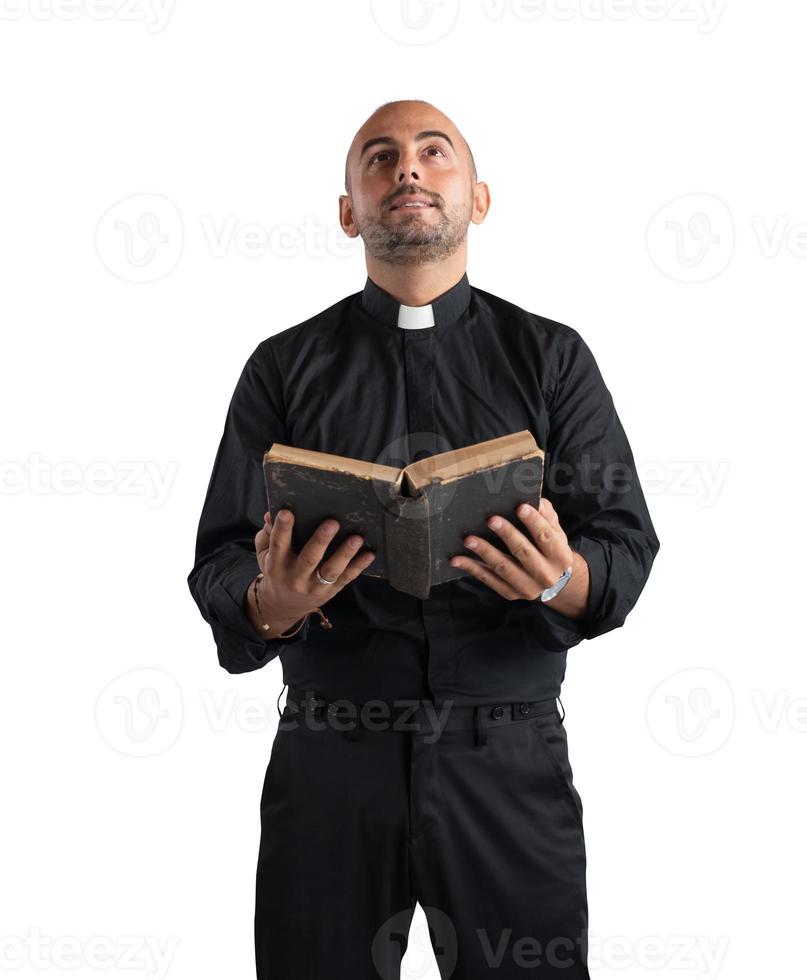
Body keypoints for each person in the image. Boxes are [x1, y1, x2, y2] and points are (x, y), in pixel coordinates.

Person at [187, 99, 660, 979]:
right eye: (379, 157)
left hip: (506, 755)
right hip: (330, 755)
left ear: (478, 198)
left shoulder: (552, 358)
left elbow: (626, 551)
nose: (407, 169)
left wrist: (560, 579)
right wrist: (273, 604)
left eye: (432, 153)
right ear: (346, 212)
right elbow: (217, 559)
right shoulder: (281, 368)